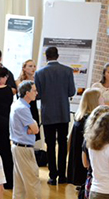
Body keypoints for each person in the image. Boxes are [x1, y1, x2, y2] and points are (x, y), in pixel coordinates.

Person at [9, 81, 59, 199]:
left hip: (18, 147)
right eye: (34, 90)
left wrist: (32, 128)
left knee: (19, 179)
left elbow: (33, 129)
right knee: (32, 179)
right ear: (27, 93)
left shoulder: (18, 104)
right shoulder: (23, 109)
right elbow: (36, 129)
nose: (36, 93)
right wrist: (33, 128)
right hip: (24, 148)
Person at [34, 47, 76, 185]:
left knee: (50, 144)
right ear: (58, 56)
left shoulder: (39, 73)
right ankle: (62, 176)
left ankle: (52, 175)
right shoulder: (67, 71)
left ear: (46, 56)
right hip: (63, 112)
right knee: (63, 144)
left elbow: (38, 95)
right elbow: (71, 92)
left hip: (48, 114)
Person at [67, 89, 102, 199]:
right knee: (84, 196)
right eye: (101, 99)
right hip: (84, 164)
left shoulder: (79, 118)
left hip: (77, 162)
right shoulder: (89, 122)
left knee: (82, 195)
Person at [14, 59, 40, 128]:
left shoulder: (36, 80)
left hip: (33, 108)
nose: (33, 68)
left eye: (34, 66)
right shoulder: (18, 81)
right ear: (24, 68)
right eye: (30, 66)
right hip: (23, 108)